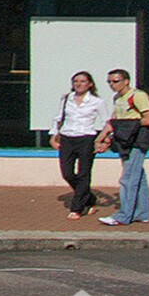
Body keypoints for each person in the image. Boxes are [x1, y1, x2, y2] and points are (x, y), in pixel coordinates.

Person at [97, 67, 149, 228]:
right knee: (138, 176)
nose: (112, 85)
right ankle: (142, 213)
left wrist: (129, 124)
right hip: (124, 141)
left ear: (126, 81)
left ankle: (123, 216)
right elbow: (114, 120)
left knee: (128, 178)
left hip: (137, 140)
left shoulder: (138, 96)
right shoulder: (118, 98)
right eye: (109, 82)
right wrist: (101, 138)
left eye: (116, 81)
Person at [51, 70, 105, 218]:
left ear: (90, 84)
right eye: (76, 81)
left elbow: (106, 122)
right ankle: (90, 198)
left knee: (84, 173)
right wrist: (53, 135)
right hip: (67, 138)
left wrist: (104, 140)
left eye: (82, 81)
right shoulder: (66, 98)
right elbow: (58, 117)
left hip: (86, 138)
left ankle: (77, 208)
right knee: (67, 173)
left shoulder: (97, 102)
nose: (79, 84)